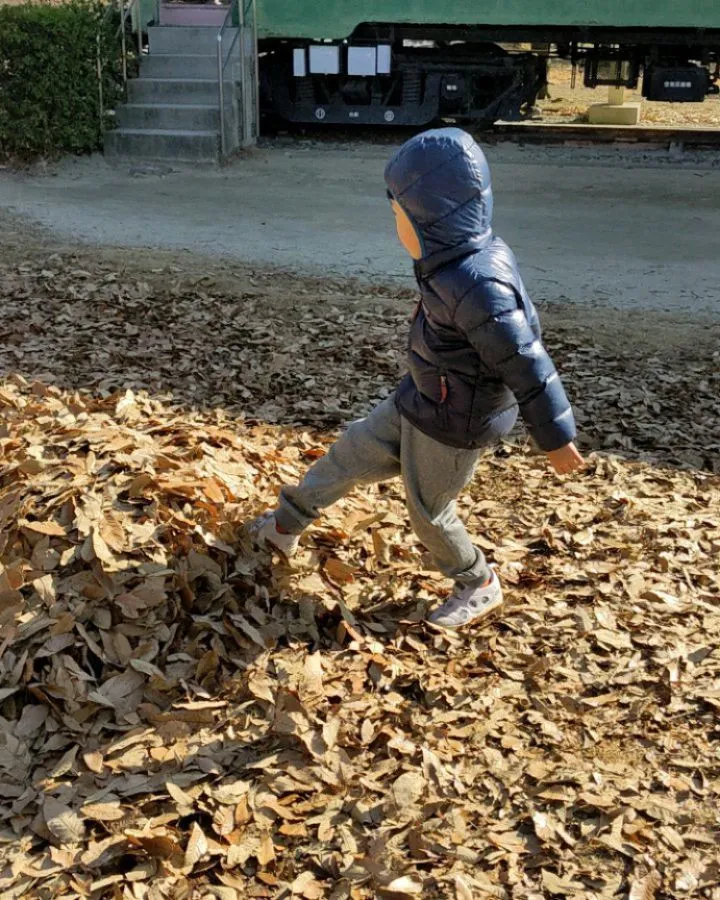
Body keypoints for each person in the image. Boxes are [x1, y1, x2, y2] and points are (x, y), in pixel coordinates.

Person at [249, 127, 584, 629]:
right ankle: (285, 524)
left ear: (432, 217)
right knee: (351, 451)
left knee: (429, 511)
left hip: (455, 424)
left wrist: (557, 438)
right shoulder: (448, 262)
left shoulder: (480, 285)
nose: (394, 224)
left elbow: (527, 362)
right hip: (423, 396)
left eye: (398, 215)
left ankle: (478, 582)